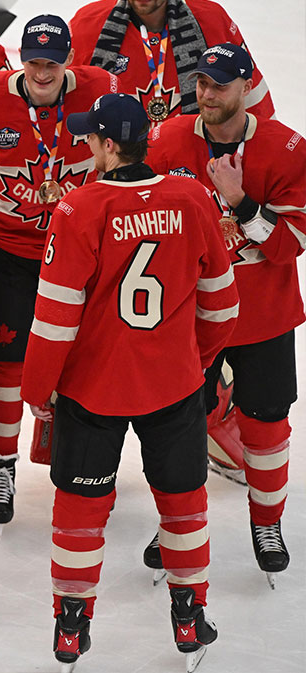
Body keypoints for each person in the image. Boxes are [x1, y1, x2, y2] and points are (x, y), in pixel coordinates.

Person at [19, 93, 238, 671]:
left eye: (90, 136)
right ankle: (189, 615)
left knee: (79, 510)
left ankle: (71, 626)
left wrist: (37, 391)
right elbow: (221, 304)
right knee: (184, 505)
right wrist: (195, 360)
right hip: (174, 384)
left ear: (109, 146)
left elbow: (54, 317)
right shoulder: (192, 197)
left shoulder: (78, 209)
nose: (85, 144)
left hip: (95, 390)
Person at [0, 15, 118, 536]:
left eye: (52, 62)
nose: (42, 71)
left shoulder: (102, 89)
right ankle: (0, 465)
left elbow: (124, 153)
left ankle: (78, 459)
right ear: (21, 59)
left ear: (67, 60)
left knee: (83, 356)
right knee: (1, 358)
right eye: (34, 61)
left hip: (78, 250)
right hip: (7, 249)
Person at [146, 44, 304, 587]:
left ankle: (268, 524)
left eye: (219, 85)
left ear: (245, 88)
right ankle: (177, 526)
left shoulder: (286, 150)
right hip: (190, 316)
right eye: (201, 85)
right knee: (179, 424)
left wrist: (240, 204)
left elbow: (292, 244)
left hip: (263, 316)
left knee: (266, 425)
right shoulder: (168, 139)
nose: (206, 95)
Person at [70, 0, 274, 123]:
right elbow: (62, 108)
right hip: (115, 180)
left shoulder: (212, 21)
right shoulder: (86, 25)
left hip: (193, 174)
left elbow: (254, 107)